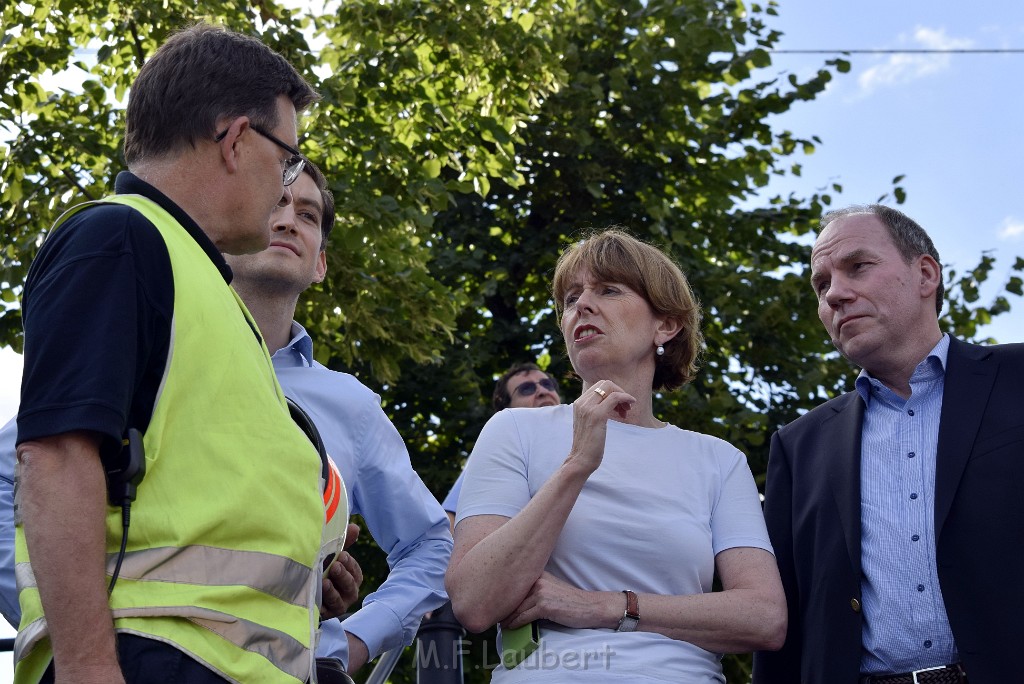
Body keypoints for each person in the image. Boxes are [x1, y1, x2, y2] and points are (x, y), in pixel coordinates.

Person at [13, 24, 333, 684]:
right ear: (237, 139)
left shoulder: (196, 281)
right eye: (289, 159)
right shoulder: (119, 237)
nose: (286, 187)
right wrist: (89, 669)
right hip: (151, 659)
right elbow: (54, 456)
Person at [445, 228, 786, 682]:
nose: (582, 305)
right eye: (570, 298)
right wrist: (576, 466)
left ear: (665, 325)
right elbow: (474, 602)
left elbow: (765, 616)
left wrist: (606, 606)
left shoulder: (718, 460)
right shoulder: (515, 430)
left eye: (608, 290)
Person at [752, 205, 1024, 684]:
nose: (835, 293)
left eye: (858, 266)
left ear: (925, 275)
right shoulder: (798, 447)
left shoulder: (1017, 378)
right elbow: (786, 623)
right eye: (821, 284)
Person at [223, 160, 452, 675]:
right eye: (276, 205)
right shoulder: (153, 357)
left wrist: (356, 640)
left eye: (307, 215)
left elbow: (431, 543)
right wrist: (72, 633)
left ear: (320, 264)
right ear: (223, 235)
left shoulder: (350, 404)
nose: (288, 222)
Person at [441, 362, 562, 526]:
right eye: (526, 389)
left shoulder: (593, 433)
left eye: (547, 384)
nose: (542, 391)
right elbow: (452, 517)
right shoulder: (500, 450)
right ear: (506, 408)